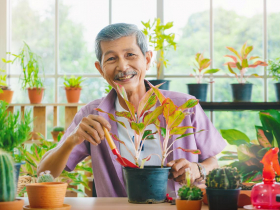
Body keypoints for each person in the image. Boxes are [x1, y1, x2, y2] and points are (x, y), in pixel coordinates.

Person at [37, 23, 227, 197]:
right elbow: (44, 173)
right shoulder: (92, 114)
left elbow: (213, 163)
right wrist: (71, 140)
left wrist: (197, 169)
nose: (122, 66)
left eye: (130, 55)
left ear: (147, 59)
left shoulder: (185, 107)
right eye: (111, 58)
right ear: (100, 69)